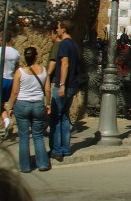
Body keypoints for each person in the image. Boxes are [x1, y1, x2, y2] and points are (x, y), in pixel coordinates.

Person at [5, 47, 51, 172]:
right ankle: (43, 164)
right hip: (38, 104)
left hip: (22, 104)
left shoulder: (19, 72)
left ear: (25, 57)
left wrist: (10, 106)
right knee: (38, 135)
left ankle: (25, 166)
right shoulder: (43, 70)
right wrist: (48, 104)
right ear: (36, 56)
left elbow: (14, 92)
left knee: (24, 136)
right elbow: (47, 90)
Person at [50, 19, 80, 162]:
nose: (56, 30)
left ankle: (57, 150)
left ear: (63, 29)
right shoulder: (75, 45)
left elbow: (65, 65)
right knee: (65, 116)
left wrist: (61, 84)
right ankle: (66, 148)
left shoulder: (63, 45)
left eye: (58, 28)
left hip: (64, 86)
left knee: (56, 118)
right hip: (73, 85)